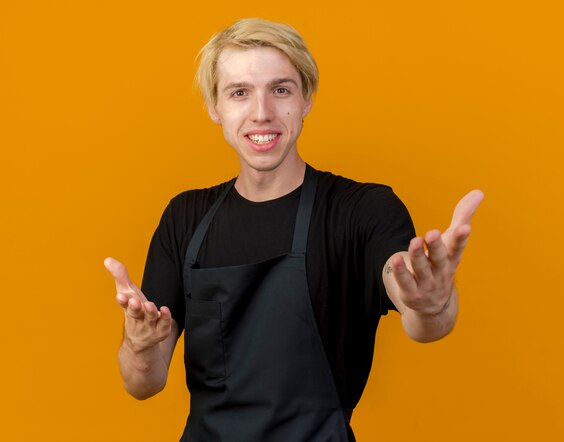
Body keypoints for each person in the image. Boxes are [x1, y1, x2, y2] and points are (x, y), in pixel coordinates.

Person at [104, 18, 483, 441]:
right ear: (215, 107)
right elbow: (143, 383)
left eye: (280, 89)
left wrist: (432, 303)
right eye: (239, 93)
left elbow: (418, 312)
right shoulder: (185, 217)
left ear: (305, 100)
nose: (261, 113)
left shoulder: (360, 211)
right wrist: (139, 345)